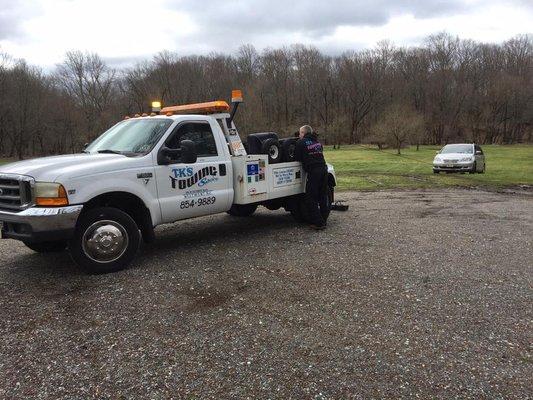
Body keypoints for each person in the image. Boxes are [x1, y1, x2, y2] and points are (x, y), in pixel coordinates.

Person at [294, 125, 329, 230]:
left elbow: (297, 158)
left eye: (300, 133)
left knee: (311, 198)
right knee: (322, 196)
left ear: (303, 133)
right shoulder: (317, 142)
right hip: (324, 169)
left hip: (314, 172)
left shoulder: (300, 142)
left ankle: (318, 223)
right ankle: (324, 219)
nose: (299, 135)